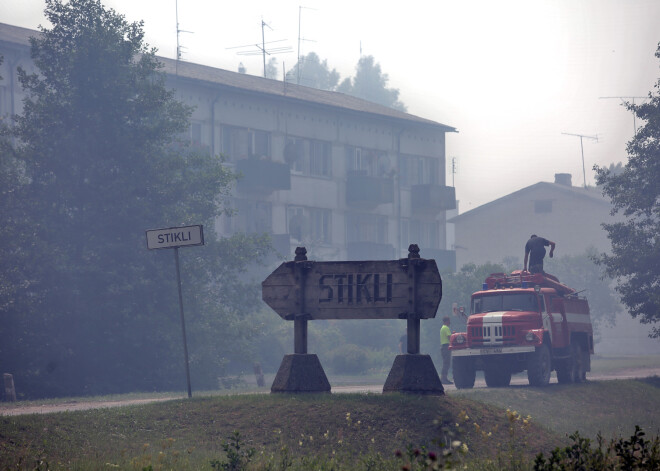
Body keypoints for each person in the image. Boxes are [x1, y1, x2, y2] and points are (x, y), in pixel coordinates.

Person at [440, 316, 452, 384]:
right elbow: (449, 337)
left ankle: (444, 378)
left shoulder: (442, 328)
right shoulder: (446, 328)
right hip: (446, 346)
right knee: (446, 363)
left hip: (443, 347)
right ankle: (443, 379)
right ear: (446, 321)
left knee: (446, 363)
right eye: (449, 321)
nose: (450, 322)